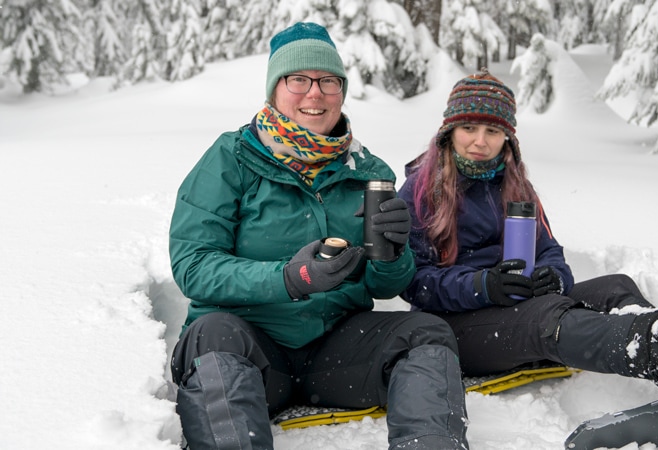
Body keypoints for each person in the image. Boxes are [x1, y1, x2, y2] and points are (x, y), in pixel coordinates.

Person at [168, 22, 467, 450]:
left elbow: (386, 286)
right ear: (274, 89)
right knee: (211, 333)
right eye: (299, 80)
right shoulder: (229, 159)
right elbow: (193, 267)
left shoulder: (368, 171)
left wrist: (393, 254)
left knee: (426, 332)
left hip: (335, 354)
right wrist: (289, 278)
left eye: (329, 81)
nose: (315, 93)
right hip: (251, 352)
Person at [398, 69, 658, 397]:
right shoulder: (419, 191)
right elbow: (413, 283)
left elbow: (549, 249)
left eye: (492, 131)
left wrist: (554, 276)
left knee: (616, 287)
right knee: (546, 318)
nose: (480, 141)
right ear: (450, 131)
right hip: (452, 327)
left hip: (516, 306)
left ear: (506, 137)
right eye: (469, 128)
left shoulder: (516, 186)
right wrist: (484, 286)